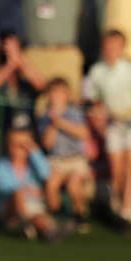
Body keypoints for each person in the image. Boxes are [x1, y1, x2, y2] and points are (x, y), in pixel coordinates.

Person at [83, 28, 131, 223]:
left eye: (115, 45)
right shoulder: (97, 71)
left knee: (130, 166)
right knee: (116, 169)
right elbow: (91, 98)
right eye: (108, 45)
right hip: (113, 124)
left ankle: (126, 210)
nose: (111, 49)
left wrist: (125, 115)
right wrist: (100, 111)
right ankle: (120, 205)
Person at [0, 112, 67, 240]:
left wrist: (34, 151)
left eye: (23, 145)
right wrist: (26, 190)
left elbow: (46, 173)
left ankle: (44, 232)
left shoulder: (33, 164)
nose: (19, 149)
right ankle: (23, 225)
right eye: (15, 145)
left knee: (39, 217)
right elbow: (3, 186)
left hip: (33, 207)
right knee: (18, 194)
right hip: (11, 208)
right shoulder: (2, 165)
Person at [38, 75, 95, 223]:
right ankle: (59, 215)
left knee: (73, 185)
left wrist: (61, 122)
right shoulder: (44, 117)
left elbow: (83, 133)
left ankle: (79, 215)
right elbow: (47, 144)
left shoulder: (74, 113)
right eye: (53, 92)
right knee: (51, 185)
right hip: (56, 160)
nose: (55, 96)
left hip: (75, 159)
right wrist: (53, 124)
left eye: (59, 92)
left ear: (67, 95)